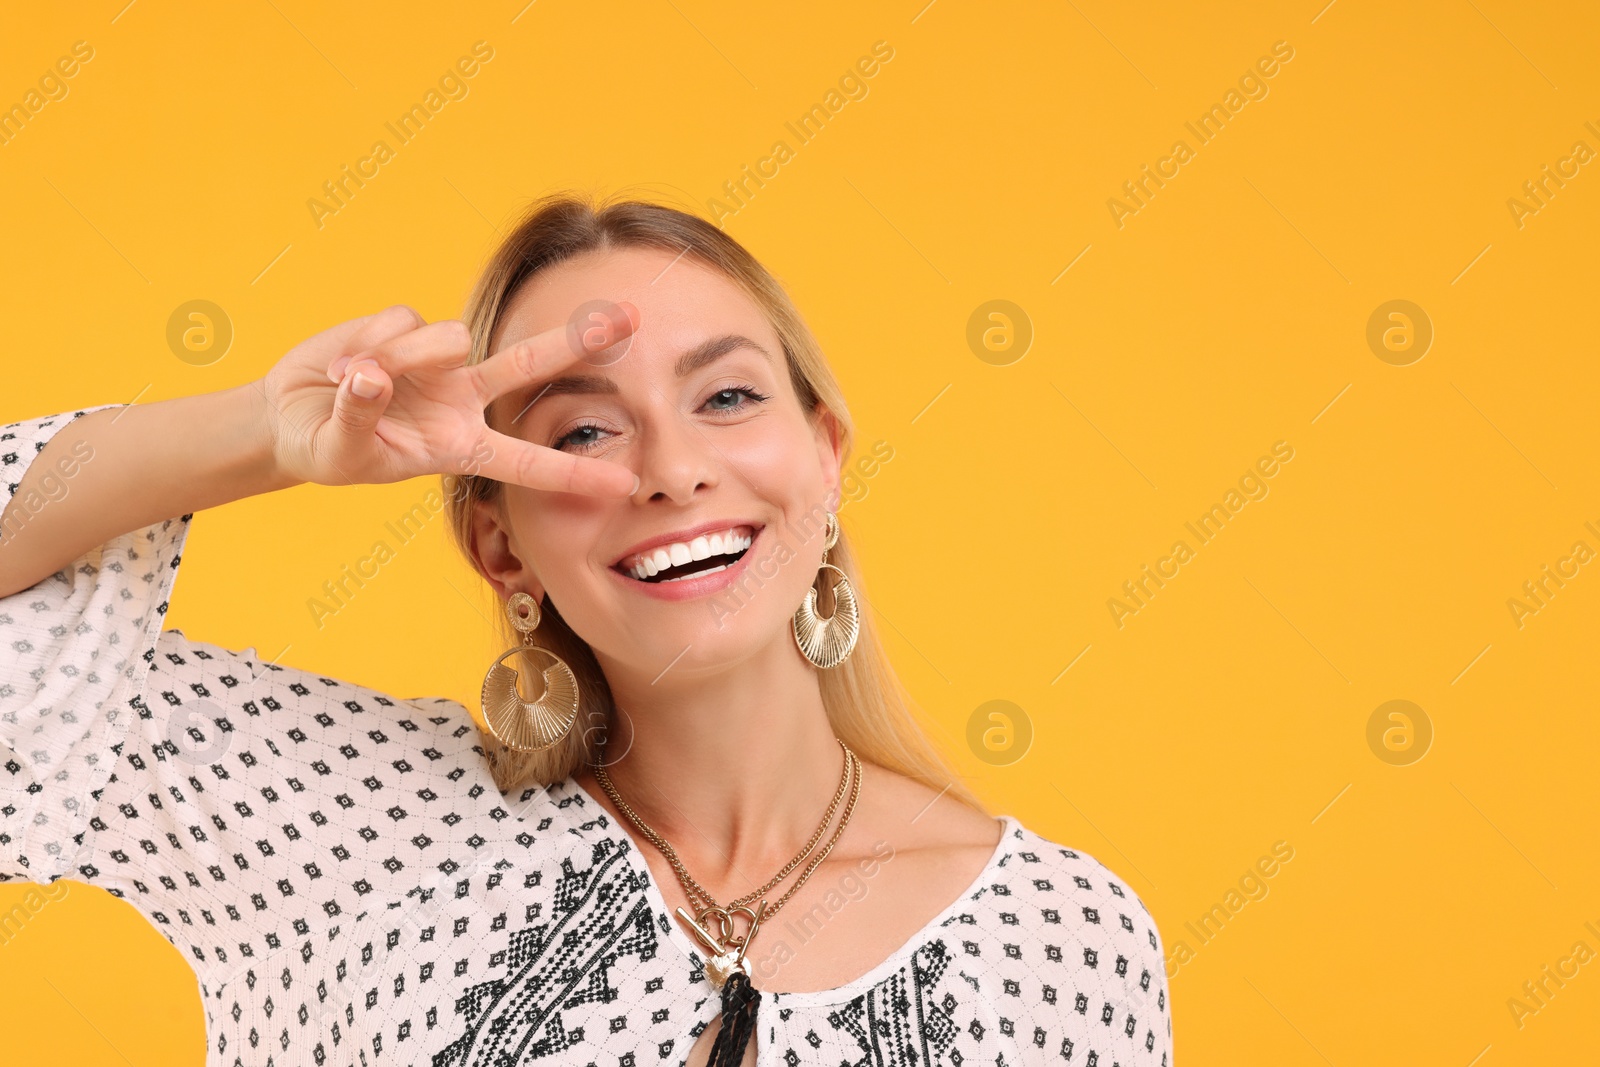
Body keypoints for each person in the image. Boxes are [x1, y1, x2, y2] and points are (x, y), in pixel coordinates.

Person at [0, 195, 1171, 1066]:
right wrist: (268, 433)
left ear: (823, 455)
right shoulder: (361, 829)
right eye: (581, 434)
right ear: (501, 545)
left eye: (724, 396)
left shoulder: (1062, 941)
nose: (669, 470)